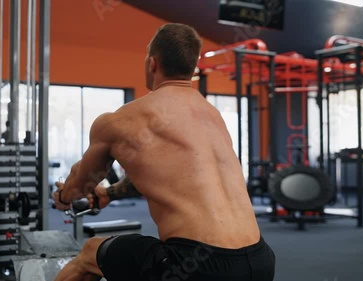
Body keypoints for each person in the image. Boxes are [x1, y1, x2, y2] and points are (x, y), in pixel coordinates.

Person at [53, 23, 276, 281]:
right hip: (260, 260)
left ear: (152, 63)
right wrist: (109, 193)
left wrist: (64, 195)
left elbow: (79, 188)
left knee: (91, 254)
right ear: (192, 67)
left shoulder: (120, 120)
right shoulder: (212, 115)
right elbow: (172, 178)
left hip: (195, 264)